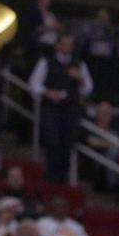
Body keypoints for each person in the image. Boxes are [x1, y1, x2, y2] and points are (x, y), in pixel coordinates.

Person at [30, 33, 94, 183]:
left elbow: (89, 88)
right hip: (52, 109)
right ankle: (50, 177)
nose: (67, 48)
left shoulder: (79, 64)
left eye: (70, 44)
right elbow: (34, 83)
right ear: (57, 45)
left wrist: (81, 78)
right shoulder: (47, 61)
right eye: (64, 44)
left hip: (70, 110)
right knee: (52, 142)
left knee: (67, 144)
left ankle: (63, 180)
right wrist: (47, 92)